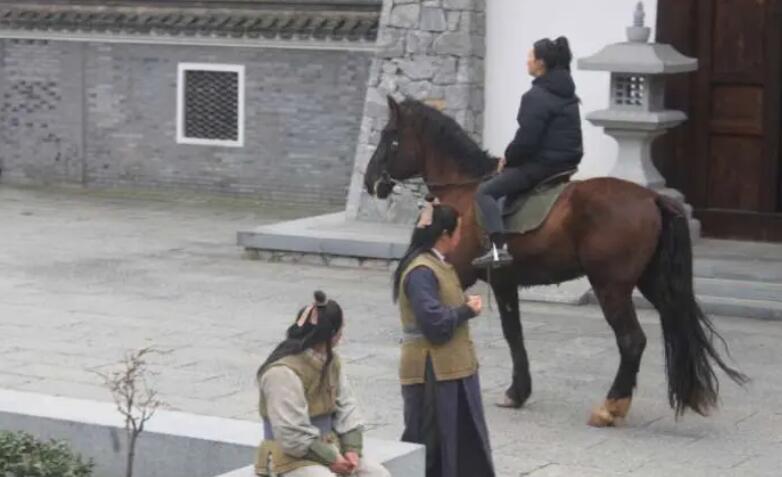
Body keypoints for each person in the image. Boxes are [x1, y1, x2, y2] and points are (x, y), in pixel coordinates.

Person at [393, 197, 495, 477]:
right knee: (432, 443)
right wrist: (466, 310)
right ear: (445, 235)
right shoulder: (421, 271)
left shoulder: (438, 265)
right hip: (431, 369)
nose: (460, 237)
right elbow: (434, 323)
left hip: (452, 366)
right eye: (458, 231)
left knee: (462, 441)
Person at [473, 36, 584, 269]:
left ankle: (498, 250)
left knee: (485, 191)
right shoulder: (566, 92)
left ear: (540, 63)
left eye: (530, 57)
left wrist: (508, 159)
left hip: (543, 166)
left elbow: (526, 141)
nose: (527, 61)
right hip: (566, 163)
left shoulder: (536, 96)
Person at [255, 291, 390, 477]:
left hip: (329, 445)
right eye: (341, 328)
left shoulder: (331, 362)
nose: (342, 333)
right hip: (287, 456)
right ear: (332, 334)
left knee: (377, 474)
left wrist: (352, 449)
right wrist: (331, 459)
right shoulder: (282, 373)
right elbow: (291, 434)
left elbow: (347, 408)